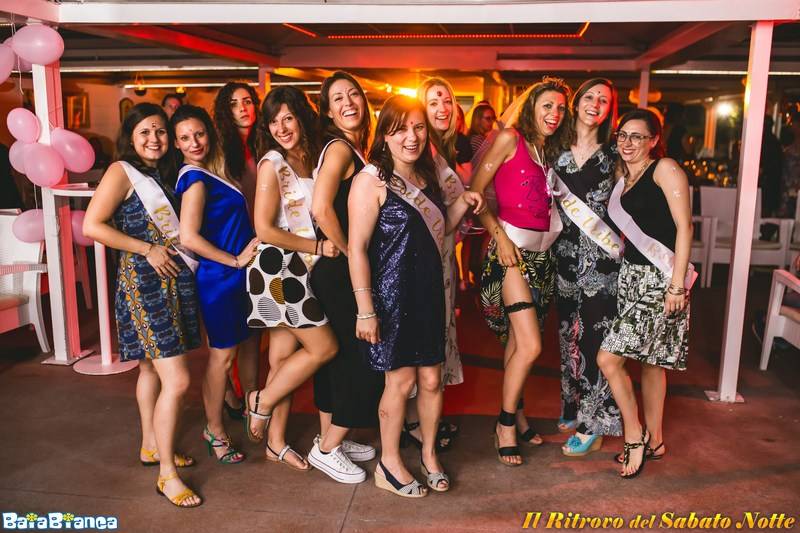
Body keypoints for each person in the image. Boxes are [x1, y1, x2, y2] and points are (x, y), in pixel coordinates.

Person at [348, 95, 484, 497]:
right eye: (400, 129)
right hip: (391, 299)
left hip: (429, 292)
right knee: (400, 380)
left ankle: (428, 455)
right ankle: (388, 463)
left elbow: (440, 233)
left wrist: (463, 203)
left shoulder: (428, 176)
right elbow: (357, 248)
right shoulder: (371, 180)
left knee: (431, 379)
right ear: (384, 135)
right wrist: (365, 309)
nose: (412, 136)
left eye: (418, 127)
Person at [83, 102, 202, 507]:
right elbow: (92, 225)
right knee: (178, 380)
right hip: (144, 285)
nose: (154, 139)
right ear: (130, 138)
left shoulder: (165, 173)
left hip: (175, 282)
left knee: (150, 367)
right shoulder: (122, 171)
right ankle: (167, 474)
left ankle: (152, 444)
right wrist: (146, 248)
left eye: (160, 131)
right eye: (145, 132)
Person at [471, 77, 571, 466]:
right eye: (547, 106)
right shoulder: (509, 139)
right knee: (530, 345)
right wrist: (499, 238)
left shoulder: (550, 150)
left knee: (517, 345)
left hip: (544, 259)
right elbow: (475, 193)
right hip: (511, 255)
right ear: (531, 107)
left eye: (560, 108)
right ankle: (505, 424)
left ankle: (519, 414)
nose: (554, 114)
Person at [243, 86, 338, 471]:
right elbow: (264, 228)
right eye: (273, 122)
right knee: (324, 348)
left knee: (282, 357)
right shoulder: (272, 164)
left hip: (298, 267)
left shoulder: (310, 157)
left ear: (302, 117)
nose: (281, 128)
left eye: (288, 118)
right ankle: (261, 401)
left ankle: (276, 442)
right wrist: (317, 247)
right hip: (278, 268)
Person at [597, 108, 693, 478]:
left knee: (609, 360)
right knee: (651, 363)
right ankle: (657, 441)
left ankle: (634, 436)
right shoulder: (623, 176)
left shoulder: (665, 168)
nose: (628, 142)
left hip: (661, 279)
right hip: (630, 277)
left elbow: (685, 228)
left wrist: (677, 284)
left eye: (637, 136)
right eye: (623, 135)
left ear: (654, 140)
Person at [308, 71, 384, 484]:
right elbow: (321, 208)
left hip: (339, 270)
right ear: (328, 111)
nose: (348, 102)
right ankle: (326, 449)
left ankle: (333, 437)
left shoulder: (355, 147)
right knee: (361, 359)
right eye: (337, 98)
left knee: (340, 359)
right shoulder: (339, 149)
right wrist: (347, 248)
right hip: (340, 271)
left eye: (353, 94)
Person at [173, 105, 260, 466]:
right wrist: (235, 260)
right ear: (176, 144)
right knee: (222, 358)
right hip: (220, 278)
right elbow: (188, 237)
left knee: (245, 347)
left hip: (237, 276)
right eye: (184, 138)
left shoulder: (213, 172)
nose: (194, 142)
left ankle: (248, 412)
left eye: (199, 134)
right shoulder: (195, 179)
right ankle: (214, 430)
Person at [553, 78, 622, 456]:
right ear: (576, 102)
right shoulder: (554, 148)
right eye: (590, 97)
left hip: (602, 261)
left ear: (610, 110)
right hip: (562, 256)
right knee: (568, 335)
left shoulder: (614, 153)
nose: (596, 104)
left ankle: (594, 422)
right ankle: (573, 403)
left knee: (596, 338)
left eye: (604, 100)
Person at [213, 82, 262, 418]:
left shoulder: (265, 144)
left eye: (248, 101)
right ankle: (229, 393)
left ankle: (250, 402)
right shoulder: (218, 150)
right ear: (224, 111)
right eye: (234, 103)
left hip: (261, 243)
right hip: (229, 245)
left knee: (254, 333)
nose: (243, 108)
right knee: (228, 335)